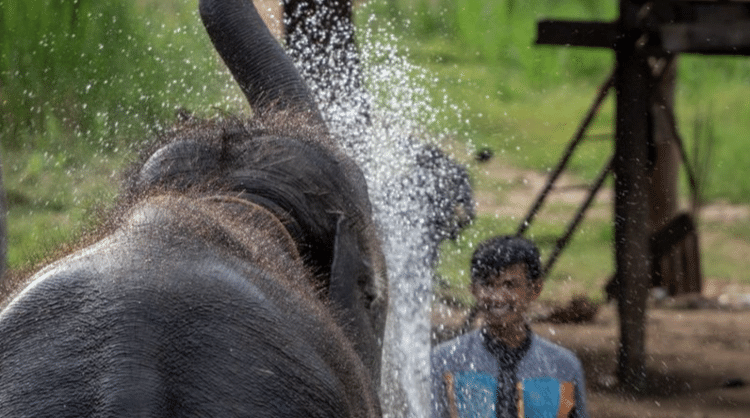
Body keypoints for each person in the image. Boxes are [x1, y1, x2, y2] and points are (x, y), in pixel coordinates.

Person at [431, 235, 589, 418]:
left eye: (510, 285)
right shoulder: (446, 361)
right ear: (473, 289)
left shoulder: (562, 367)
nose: (498, 297)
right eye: (488, 285)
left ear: (535, 289)